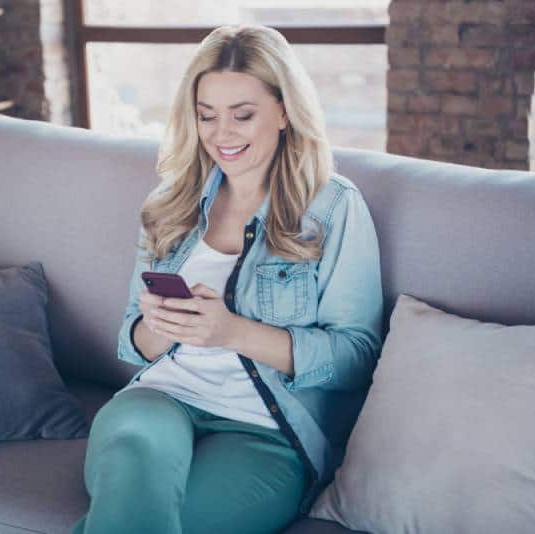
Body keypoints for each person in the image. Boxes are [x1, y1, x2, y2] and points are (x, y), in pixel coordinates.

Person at [71, 24, 383, 534]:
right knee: (134, 456)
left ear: (284, 112)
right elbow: (134, 341)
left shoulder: (332, 207)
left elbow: (356, 357)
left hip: (266, 432)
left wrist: (232, 332)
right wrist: (161, 324)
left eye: (243, 115)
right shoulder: (171, 203)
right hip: (159, 402)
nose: (222, 134)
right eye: (207, 116)